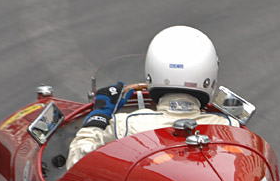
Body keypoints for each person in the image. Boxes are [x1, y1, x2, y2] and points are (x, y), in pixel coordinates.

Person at [66, 26, 238, 169]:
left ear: (152, 71)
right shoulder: (229, 127)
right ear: (210, 75)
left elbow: (76, 161)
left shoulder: (126, 125)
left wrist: (100, 115)